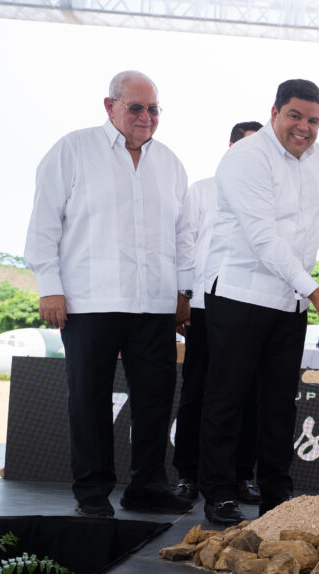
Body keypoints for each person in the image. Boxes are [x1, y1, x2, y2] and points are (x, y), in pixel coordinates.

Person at [24, 70, 193, 518]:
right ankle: (92, 492)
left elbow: (184, 236)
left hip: (154, 304)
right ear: (110, 106)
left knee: (155, 399)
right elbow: (44, 224)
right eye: (136, 107)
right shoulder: (73, 150)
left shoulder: (170, 163)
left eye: (153, 109)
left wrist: (183, 293)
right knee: (89, 399)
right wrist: (49, 287)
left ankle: (147, 487)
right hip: (88, 302)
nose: (146, 117)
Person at [199, 79, 319, 525]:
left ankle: (276, 496)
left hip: (290, 302)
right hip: (242, 294)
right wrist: (316, 291)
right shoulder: (246, 157)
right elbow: (263, 237)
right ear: (274, 112)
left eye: (313, 120)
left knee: (281, 404)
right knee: (227, 399)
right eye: (295, 116)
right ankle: (220, 494)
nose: (304, 127)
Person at [171, 121, 263, 504]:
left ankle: (241, 476)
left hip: (253, 308)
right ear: (230, 148)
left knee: (248, 395)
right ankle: (188, 474)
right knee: (197, 391)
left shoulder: (271, 195)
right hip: (205, 306)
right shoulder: (202, 190)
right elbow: (184, 244)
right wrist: (184, 297)